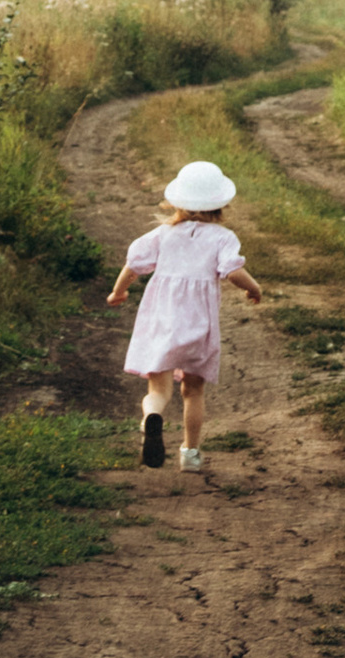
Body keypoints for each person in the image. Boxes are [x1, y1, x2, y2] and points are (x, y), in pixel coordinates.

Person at [105, 155, 264, 473]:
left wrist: (118, 292)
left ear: (176, 201)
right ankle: (190, 453)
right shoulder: (222, 238)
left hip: (161, 321)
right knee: (193, 390)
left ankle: (152, 417)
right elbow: (233, 271)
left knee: (158, 390)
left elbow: (133, 265)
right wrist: (254, 288)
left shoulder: (162, 234)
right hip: (198, 324)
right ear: (221, 205)